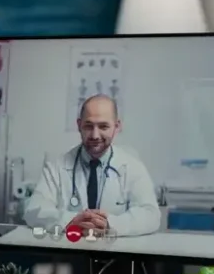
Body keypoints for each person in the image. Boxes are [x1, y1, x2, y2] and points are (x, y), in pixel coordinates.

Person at [23, 94, 161, 237]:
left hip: (115, 249)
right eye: (89, 126)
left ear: (117, 126)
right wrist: (70, 221)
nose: (95, 135)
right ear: (79, 125)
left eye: (103, 126)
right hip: (69, 247)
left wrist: (110, 224)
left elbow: (151, 215)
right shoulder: (56, 167)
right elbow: (33, 211)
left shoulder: (133, 167)